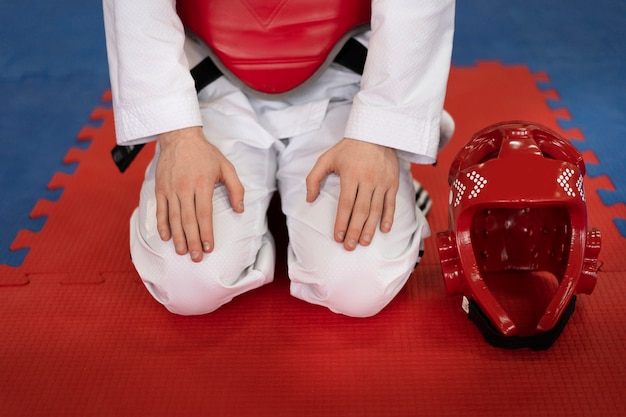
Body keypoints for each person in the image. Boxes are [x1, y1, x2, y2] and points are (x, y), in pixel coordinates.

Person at [102, 0, 456, 317]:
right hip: (208, 88)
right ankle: (266, 211)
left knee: (358, 284)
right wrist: (178, 136)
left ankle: (366, 178)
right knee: (188, 282)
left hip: (346, 86)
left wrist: (378, 136)